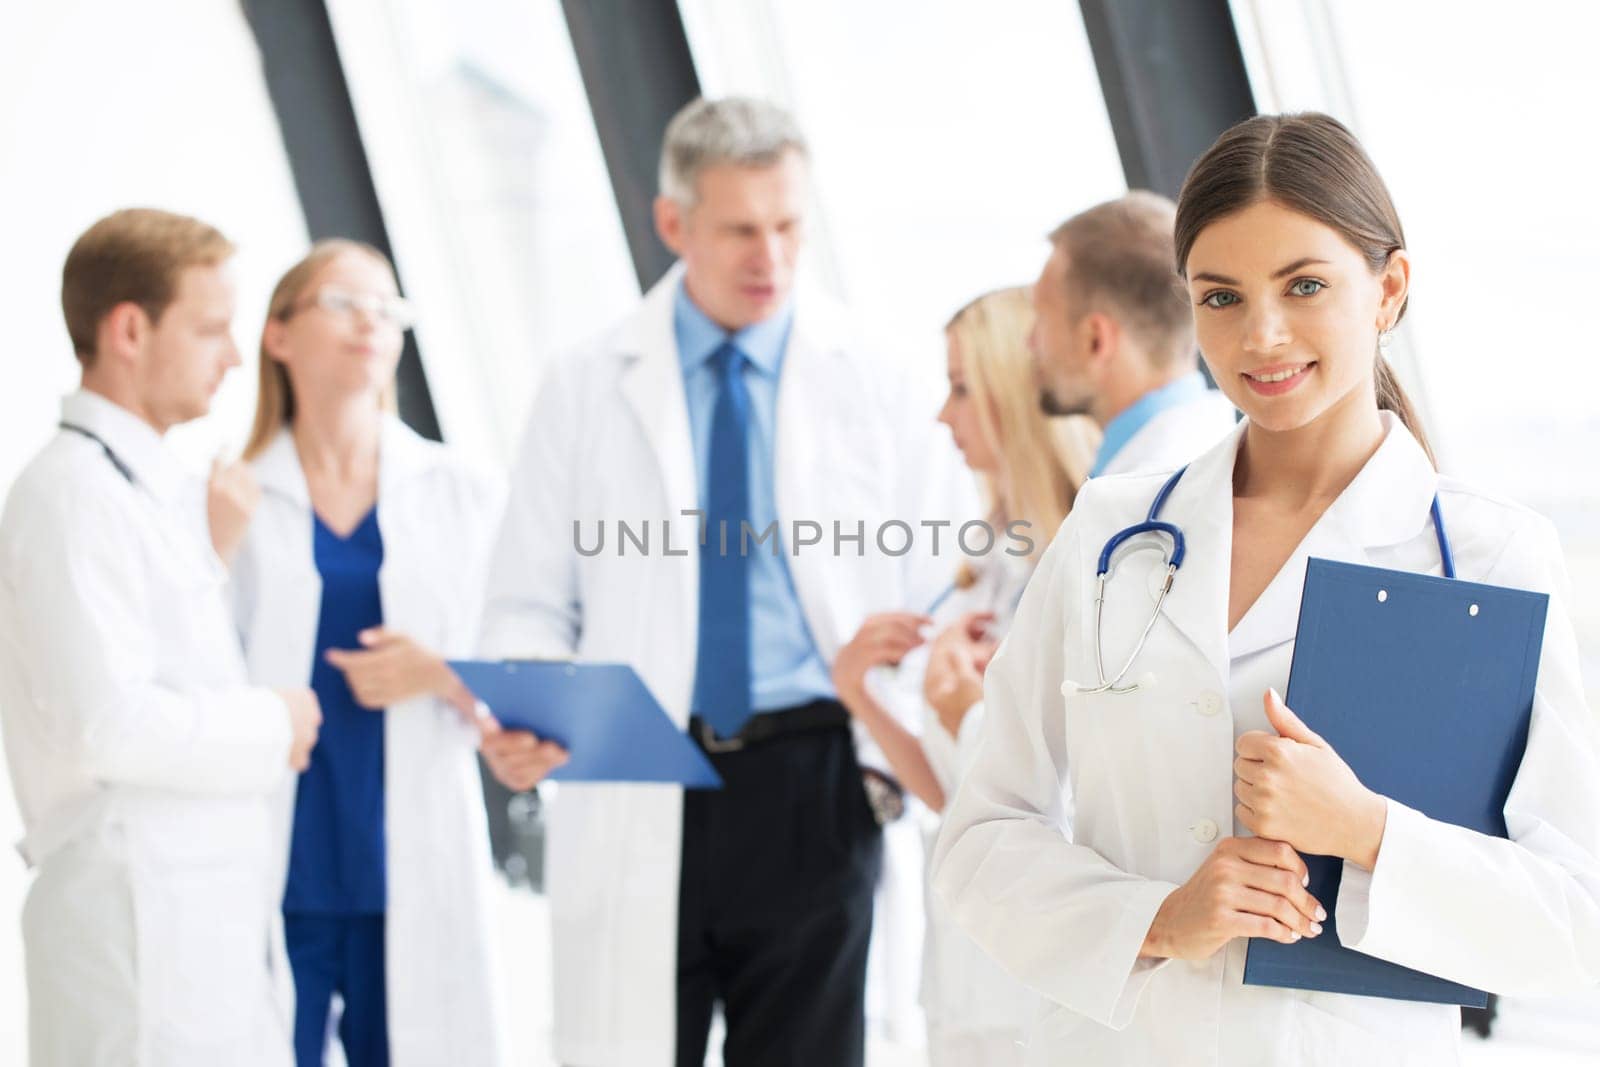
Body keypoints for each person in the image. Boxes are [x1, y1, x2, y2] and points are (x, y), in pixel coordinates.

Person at [932, 112, 1600, 1065]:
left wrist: (1367, 830)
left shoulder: (1490, 558)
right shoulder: (1112, 532)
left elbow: (1577, 918)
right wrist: (1157, 919)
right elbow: (981, 835)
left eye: (1306, 285)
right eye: (1222, 296)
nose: (1263, 334)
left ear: (1389, 289)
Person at [479, 96, 963, 1067]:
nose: (770, 258)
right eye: (741, 229)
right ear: (674, 224)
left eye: (788, 226)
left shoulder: (874, 376)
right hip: (639, 767)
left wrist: (887, 754)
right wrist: (531, 710)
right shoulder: (585, 381)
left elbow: (941, 593)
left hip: (818, 780)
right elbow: (526, 599)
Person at [0, 208, 320, 1066]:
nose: (232, 356)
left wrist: (211, 553)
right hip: (136, 941)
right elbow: (111, 725)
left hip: (194, 933)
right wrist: (274, 722)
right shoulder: (69, 494)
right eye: (211, 328)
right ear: (129, 329)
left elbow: (165, 663)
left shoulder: (148, 491)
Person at [228, 239, 530, 1066]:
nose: (372, 321)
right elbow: (197, 674)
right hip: (281, 856)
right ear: (278, 335)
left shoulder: (464, 491)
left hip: (408, 848)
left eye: (388, 308)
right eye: (343, 302)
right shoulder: (229, 500)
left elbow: (521, 668)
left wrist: (438, 671)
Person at [833, 286, 1097, 1066]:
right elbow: (957, 795)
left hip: (1043, 970)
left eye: (959, 389)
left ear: (1014, 394)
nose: (942, 417)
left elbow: (1072, 801)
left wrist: (967, 712)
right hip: (962, 966)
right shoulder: (984, 561)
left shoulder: (1086, 560)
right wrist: (860, 690)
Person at [1031, 192, 1237, 477]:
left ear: (1096, 340)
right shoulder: (1218, 447)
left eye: (1041, 319)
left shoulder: (1146, 490)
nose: (1030, 342)